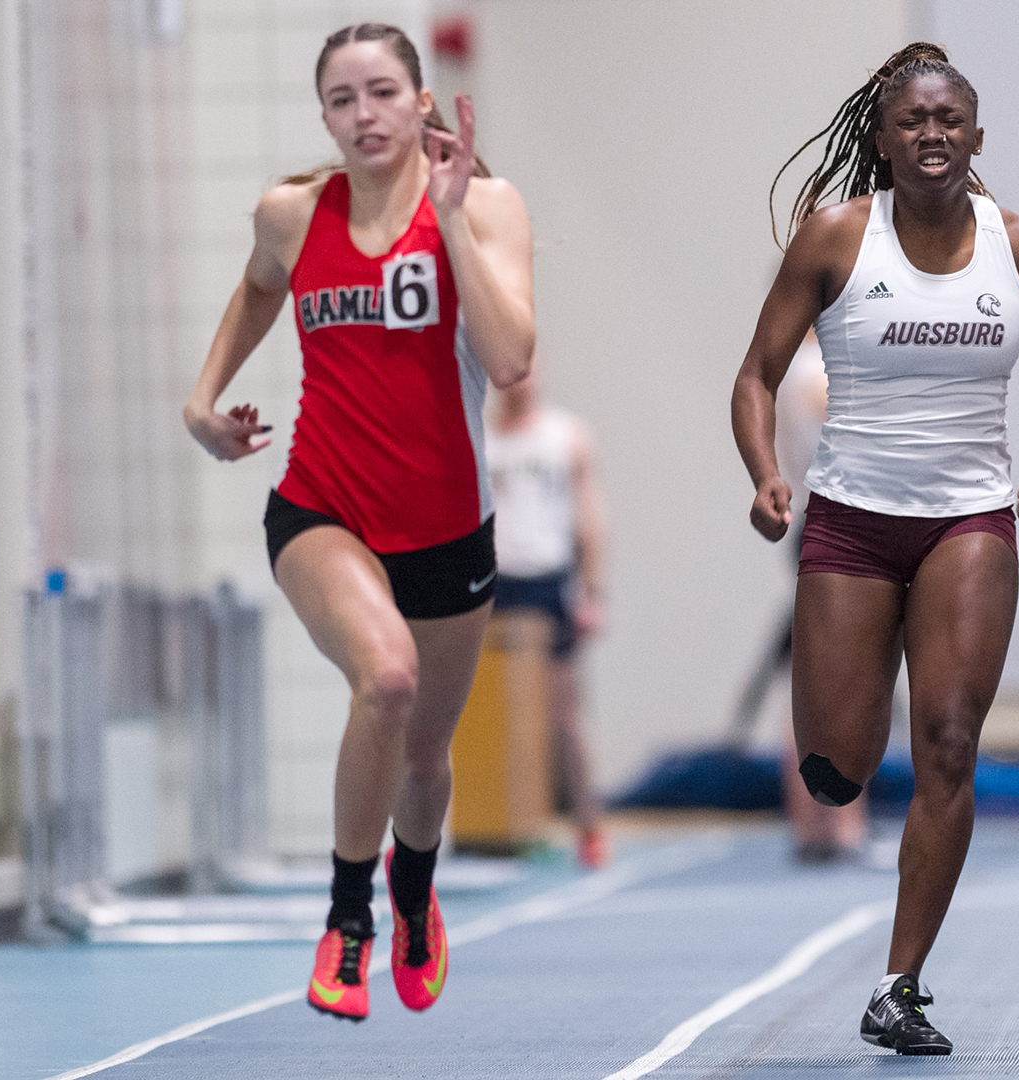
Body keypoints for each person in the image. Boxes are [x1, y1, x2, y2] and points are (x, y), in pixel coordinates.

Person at [732, 42, 1019, 1055]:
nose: (932, 134)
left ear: (976, 136)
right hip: (850, 518)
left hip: (970, 520)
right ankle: (844, 769)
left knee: (948, 742)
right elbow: (756, 375)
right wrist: (765, 473)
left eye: (949, 120)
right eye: (912, 121)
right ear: (885, 141)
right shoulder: (837, 239)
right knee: (835, 771)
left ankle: (900, 984)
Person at [182, 22, 534, 1023]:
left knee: (424, 760)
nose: (364, 115)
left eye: (382, 93)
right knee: (386, 678)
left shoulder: (487, 205)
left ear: (422, 102)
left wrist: (451, 220)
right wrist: (203, 401)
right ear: (325, 118)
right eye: (342, 100)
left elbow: (510, 361)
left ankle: (413, 892)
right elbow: (258, 287)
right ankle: (348, 919)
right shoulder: (293, 214)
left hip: (448, 529)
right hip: (321, 507)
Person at [485, 369, 610, 869]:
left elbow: (589, 515)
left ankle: (589, 826)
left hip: (547, 579)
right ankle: (496, 822)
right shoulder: (481, 439)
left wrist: (591, 588)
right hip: (493, 580)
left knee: (565, 717)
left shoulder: (566, 436)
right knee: (486, 714)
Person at [774, 331, 871, 864]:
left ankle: (817, 823)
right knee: (842, 681)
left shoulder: (799, 371)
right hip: (840, 524)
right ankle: (837, 822)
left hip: (820, 520)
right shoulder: (819, 373)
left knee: (822, 678)